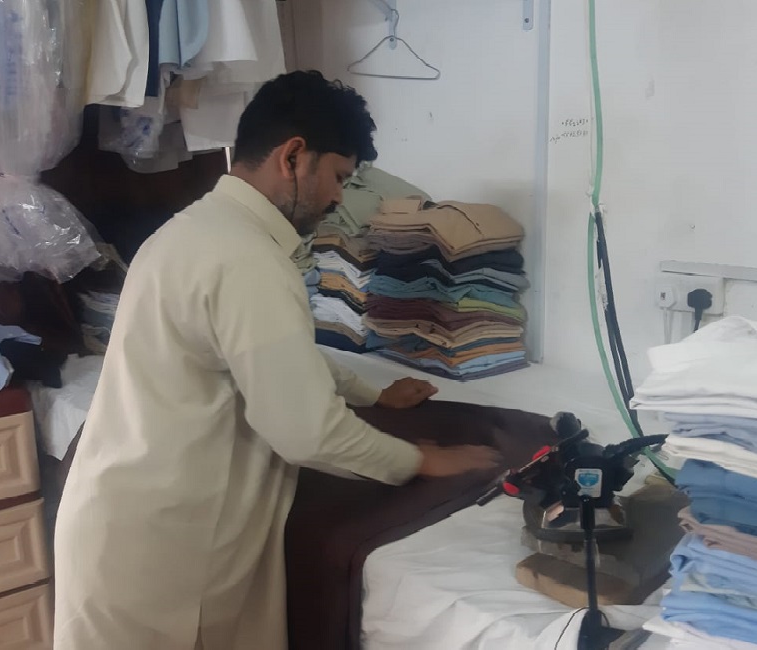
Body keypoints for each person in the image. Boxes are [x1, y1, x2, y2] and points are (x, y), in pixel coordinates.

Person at [53, 70, 501, 650]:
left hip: (124, 530)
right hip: (164, 562)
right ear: (293, 157)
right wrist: (419, 460)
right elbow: (307, 432)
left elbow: (264, 355)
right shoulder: (248, 261)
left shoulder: (193, 231)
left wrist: (371, 394)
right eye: (338, 177)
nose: (339, 198)